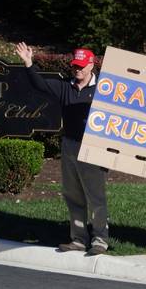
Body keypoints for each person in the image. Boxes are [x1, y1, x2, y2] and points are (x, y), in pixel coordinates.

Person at [15, 42, 109, 255]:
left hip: (94, 147)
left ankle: (100, 241)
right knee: (73, 194)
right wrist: (29, 62)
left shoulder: (104, 88)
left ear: (92, 65)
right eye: (75, 66)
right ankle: (78, 239)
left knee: (96, 197)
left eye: (82, 66)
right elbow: (40, 85)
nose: (77, 70)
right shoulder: (66, 86)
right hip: (69, 145)